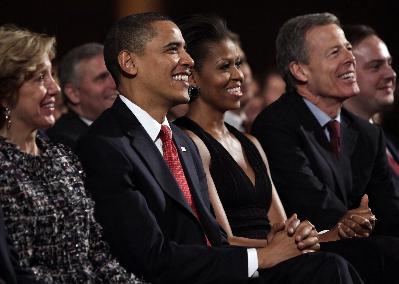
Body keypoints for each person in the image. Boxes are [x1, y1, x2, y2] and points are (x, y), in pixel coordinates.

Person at [76, 12, 362, 284]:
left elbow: (214, 240)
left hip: (218, 271)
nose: (188, 61)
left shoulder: (180, 142)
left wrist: (296, 241)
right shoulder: (105, 146)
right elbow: (151, 257)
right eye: (173, 49)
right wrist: (260, 257)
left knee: (335, 263)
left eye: (186, 50)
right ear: (129, 63)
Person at [175, 13, 399, 283]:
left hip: (280, 257)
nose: (238, 76)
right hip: (246, 266)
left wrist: (338, 231)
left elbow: (281, 229)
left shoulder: (250, 143)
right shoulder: (190, 141)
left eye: (238, 64)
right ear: (194, 77)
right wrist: (274, 249)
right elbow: (219, 240)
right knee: (333, 266)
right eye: (225, 67)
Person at [251, 12, 399, 281]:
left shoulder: (368, 133)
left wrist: (368, 220)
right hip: (314, 255)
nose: (350, 58)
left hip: (366, 248)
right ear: (300, 70)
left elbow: (390, 210)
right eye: (334, 52)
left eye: (349, 48)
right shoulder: (275, 125)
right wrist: (353, 222)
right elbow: (310, 205)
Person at [0, 25, 143, 283]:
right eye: (40, 78)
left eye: (51, 75)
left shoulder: (62, 157)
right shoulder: (3, 168)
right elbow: (20, 271)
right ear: (5, 93)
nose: (55, 89)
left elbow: (97, 252)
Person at [343, 25, 399, 178]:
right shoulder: (339, 149)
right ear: (345, 75)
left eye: (389, 63)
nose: (391, 74)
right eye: (375, 66)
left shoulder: (389, 141)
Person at [47, 42, 118, 149]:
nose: (115, 83)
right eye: (102, 77)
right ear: (73, 94)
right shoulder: (64, 144)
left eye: (115, 73)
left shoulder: (132, 126)